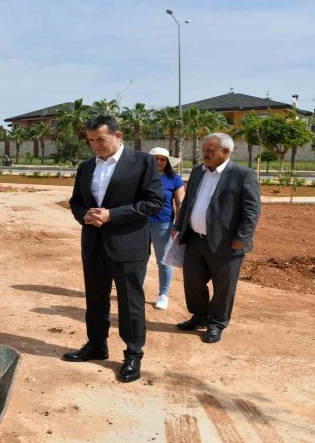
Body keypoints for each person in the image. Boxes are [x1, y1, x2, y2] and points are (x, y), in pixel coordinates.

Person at [64, 116, 164, 383]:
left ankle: (133, 353)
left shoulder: (142, 162)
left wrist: (112, 215)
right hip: (93, 243)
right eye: (91, 141)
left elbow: (154, 202)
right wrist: (84, 215)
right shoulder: (86, 167)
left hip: (128, 243)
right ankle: (97, 344)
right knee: (95, 298)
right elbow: (75, 202)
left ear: (118, 136)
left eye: (101, 140)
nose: (95, 145)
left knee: (130, 301)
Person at [174, 133, 261, 343]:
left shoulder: (243, 174)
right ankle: (200, 315)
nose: (204, 154)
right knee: (193, 282)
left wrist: (243, 237)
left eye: (209, 151)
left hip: (228, 242)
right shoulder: (197, 172)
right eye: (203, 150)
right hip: (195, 239)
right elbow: (187, 202)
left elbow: (251, 210)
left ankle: (217, 322)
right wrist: (178, 226)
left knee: (223, 286)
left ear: (226, 152)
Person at [147, 147, 185, 310]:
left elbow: (180, 203)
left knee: (163, 261)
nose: (159, 162)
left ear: (167, 162)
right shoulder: (141, 177)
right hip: (139, 223)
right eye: (155, 158)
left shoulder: (173, 179)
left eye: (162, 159)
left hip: (163, 224)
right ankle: (136, 290)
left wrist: (178, 224)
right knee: (139, 259)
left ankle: (163, 294)